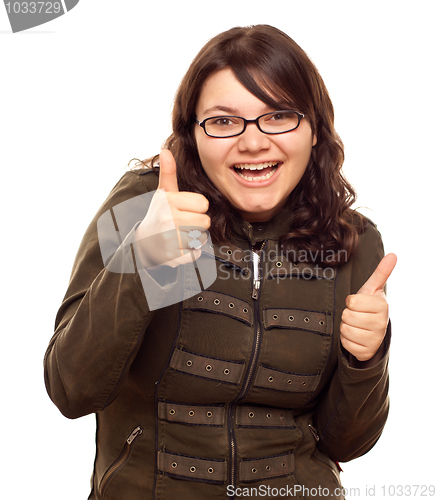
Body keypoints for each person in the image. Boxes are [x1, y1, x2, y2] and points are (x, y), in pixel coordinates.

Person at [44, 25, 396, 500]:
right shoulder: (146, 206)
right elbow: (71, 388)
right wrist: (143, 258)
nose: (253, 143)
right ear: (191, 133)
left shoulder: (352, 241)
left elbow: (346, 442)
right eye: (224, 121)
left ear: (315, 130)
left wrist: (366, 358)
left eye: (279, 116)